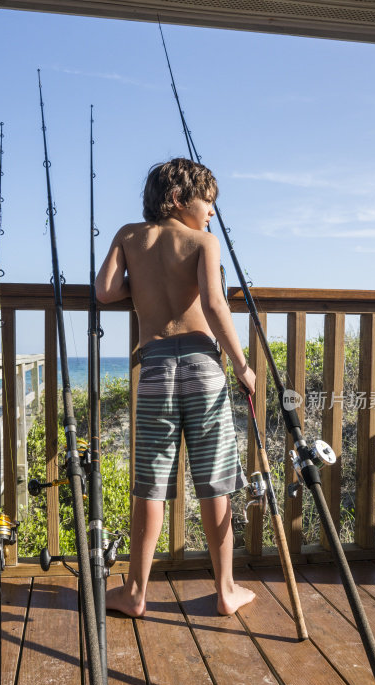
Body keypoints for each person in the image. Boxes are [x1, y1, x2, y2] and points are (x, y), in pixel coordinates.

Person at [95, 157, 256, 617]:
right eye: (208, 202)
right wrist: (242, 365)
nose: (212, 213)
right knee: (215, 483)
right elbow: (213, 303)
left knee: (150, 485)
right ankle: (225, 590)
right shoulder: (204, 243)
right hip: (204, 369)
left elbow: (105, 291)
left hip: (157, 370)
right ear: (181, 198)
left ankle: (135, 593)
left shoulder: (129, 235)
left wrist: (141, 287)